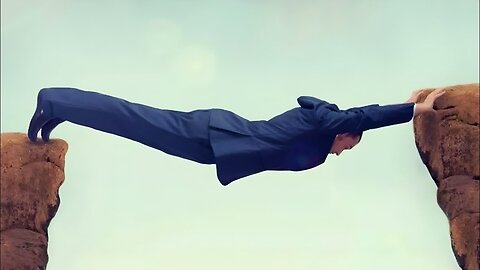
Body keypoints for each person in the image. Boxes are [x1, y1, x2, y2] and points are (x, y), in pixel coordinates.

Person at [28, 87, 446, 185]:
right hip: (213, 133)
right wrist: (414, 109)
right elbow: (363, 115)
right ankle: (53, 100)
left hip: (211, 147)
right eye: (347, 146)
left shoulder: (319, 138)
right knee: (133, 117)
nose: (341, 152)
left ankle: (61, 109)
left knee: (132, 126)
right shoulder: (325, 122)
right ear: (344, 132)